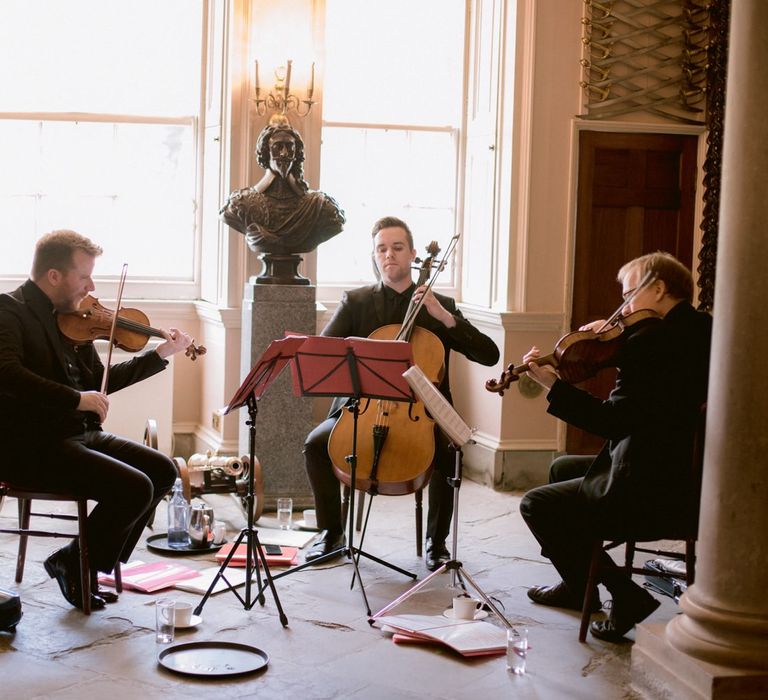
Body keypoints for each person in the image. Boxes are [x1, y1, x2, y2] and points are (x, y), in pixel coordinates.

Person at [519, 251, 712, 641]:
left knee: (536, 504)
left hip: (649, 484)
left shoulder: (650, 344)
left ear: (658, 289)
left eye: (627, 297)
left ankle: (625, 595)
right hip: (684, 471)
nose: (619, 312)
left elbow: (612, 422)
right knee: (562, 469)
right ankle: (577, 585)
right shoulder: (702, 329)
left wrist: (553, 386)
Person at [0, 230, 193, 610]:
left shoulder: (74, 321)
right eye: (84, 276)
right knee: (134, 487)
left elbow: (97, 384)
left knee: (162, 470)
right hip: (32, 447)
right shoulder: (9, 311)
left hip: (80, 435)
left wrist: (160, 354)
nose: (91, 286)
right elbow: (6, 372)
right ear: (54, 276)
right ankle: (81, 565)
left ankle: (77, 561)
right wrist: (75, 399)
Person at [302, 216, 499, 570]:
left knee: (448, 453)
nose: (389, 255)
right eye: (381, 249)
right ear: (374, 256)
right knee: (316, 445)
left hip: (421, 413)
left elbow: (489, 354)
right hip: (362, 409)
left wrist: (444, 317)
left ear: (411, 254)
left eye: (397, 247)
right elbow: (324, 351)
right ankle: (331, 533)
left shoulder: (439, 306)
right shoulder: (356, 302)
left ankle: (436, 543)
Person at [220, 123, 345, 255]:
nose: (284, 153)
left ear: (296, 153)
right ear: (265, 152)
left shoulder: (321, 205)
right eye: (278, 147)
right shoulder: (240, 204)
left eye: (290, 147)